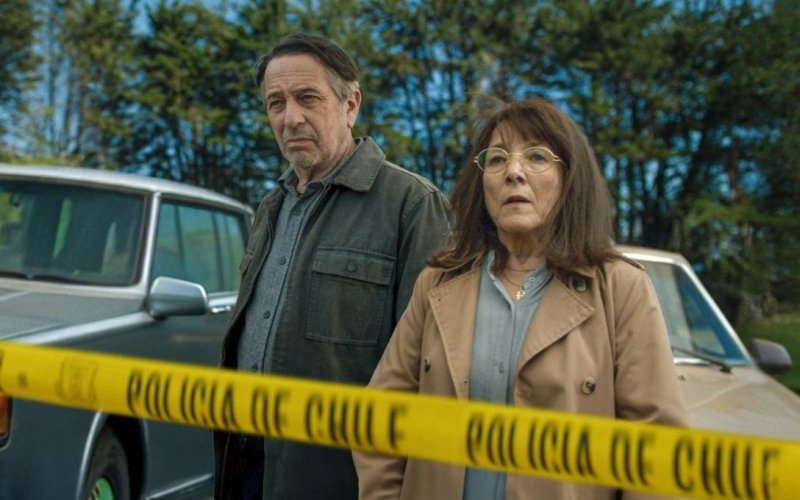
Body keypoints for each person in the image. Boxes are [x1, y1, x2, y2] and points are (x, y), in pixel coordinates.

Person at [352, 97, 687, 499]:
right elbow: (382, 416)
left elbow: (656, 449)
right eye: (496, 159)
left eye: (536, 157)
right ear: (482, 184)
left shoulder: (620, 288)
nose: (513, 172)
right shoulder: (437, 282)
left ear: (570, 177)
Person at [213, 33, 451, 500]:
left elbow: (434, 367)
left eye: (307, 98)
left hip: (342, 474)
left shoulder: (412, 204)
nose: (290, 118)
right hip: (244, 457)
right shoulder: (271, 206)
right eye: (276, 103)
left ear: (350, 105)